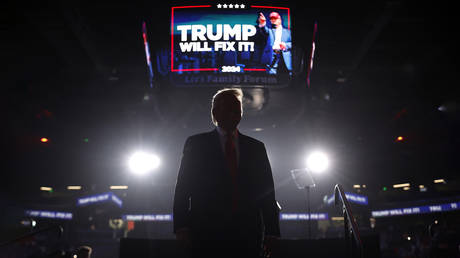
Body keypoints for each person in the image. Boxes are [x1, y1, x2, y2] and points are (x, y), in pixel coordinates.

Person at [173, 88, 280, 258]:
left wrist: (272, 232)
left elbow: (267, 192)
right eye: (230, 108)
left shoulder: (256, 147)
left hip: (247, 233)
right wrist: (181, 226)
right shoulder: (196, 144)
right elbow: (183, 187)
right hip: (206, 233)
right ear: (215, 113)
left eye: (237, 109)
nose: (234, 113)